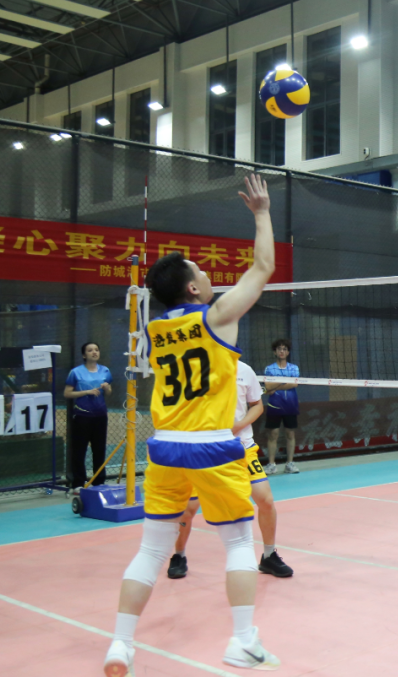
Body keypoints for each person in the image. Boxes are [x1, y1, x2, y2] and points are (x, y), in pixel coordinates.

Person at [103, 175, 280, 676]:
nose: (209, 275)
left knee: (151, 549)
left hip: (164, 448)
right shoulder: (216, 317)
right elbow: (263, 267)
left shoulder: (155, 328)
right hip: (213, 446)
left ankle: (120, 645)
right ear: (193, 288)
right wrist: (261, 212)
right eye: (202, 272)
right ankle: (242, 641)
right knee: (239, 544)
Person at [167, 360, 294, 579]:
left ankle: (269, 556)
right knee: (188, 508)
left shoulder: (245, 370)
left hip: (242, 448)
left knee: (266, 501)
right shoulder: (195, 367)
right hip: (203, 449)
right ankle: (179, 555)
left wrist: (238, 426)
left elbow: (257, 405)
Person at [64, 342, 113, 490]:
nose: (94, 352)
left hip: (100, 416)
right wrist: (87, 392)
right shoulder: (76, 372)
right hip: (82, 416)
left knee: (99, 450)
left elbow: (109, 393)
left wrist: (107, 388)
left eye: (96, 350)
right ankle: (78, 483)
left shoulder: (105, 371)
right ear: (84, 355)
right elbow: (67, 393)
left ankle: (99, 482)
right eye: (90, 350)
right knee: (79, 451)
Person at [263, 339, 299, 474]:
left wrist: (275, 384)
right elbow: (268, 387)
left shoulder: (294, 368)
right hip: (274, 405)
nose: (282, 351)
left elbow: (294, 384)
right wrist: (284, 382)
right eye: (279, 349)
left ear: (288, 352)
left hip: (290, 405)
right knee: (273, 434)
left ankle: (290, 464)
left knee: (290, 433)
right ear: (275, 352)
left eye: (284, 349)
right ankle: (271, 464)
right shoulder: (269, 369)